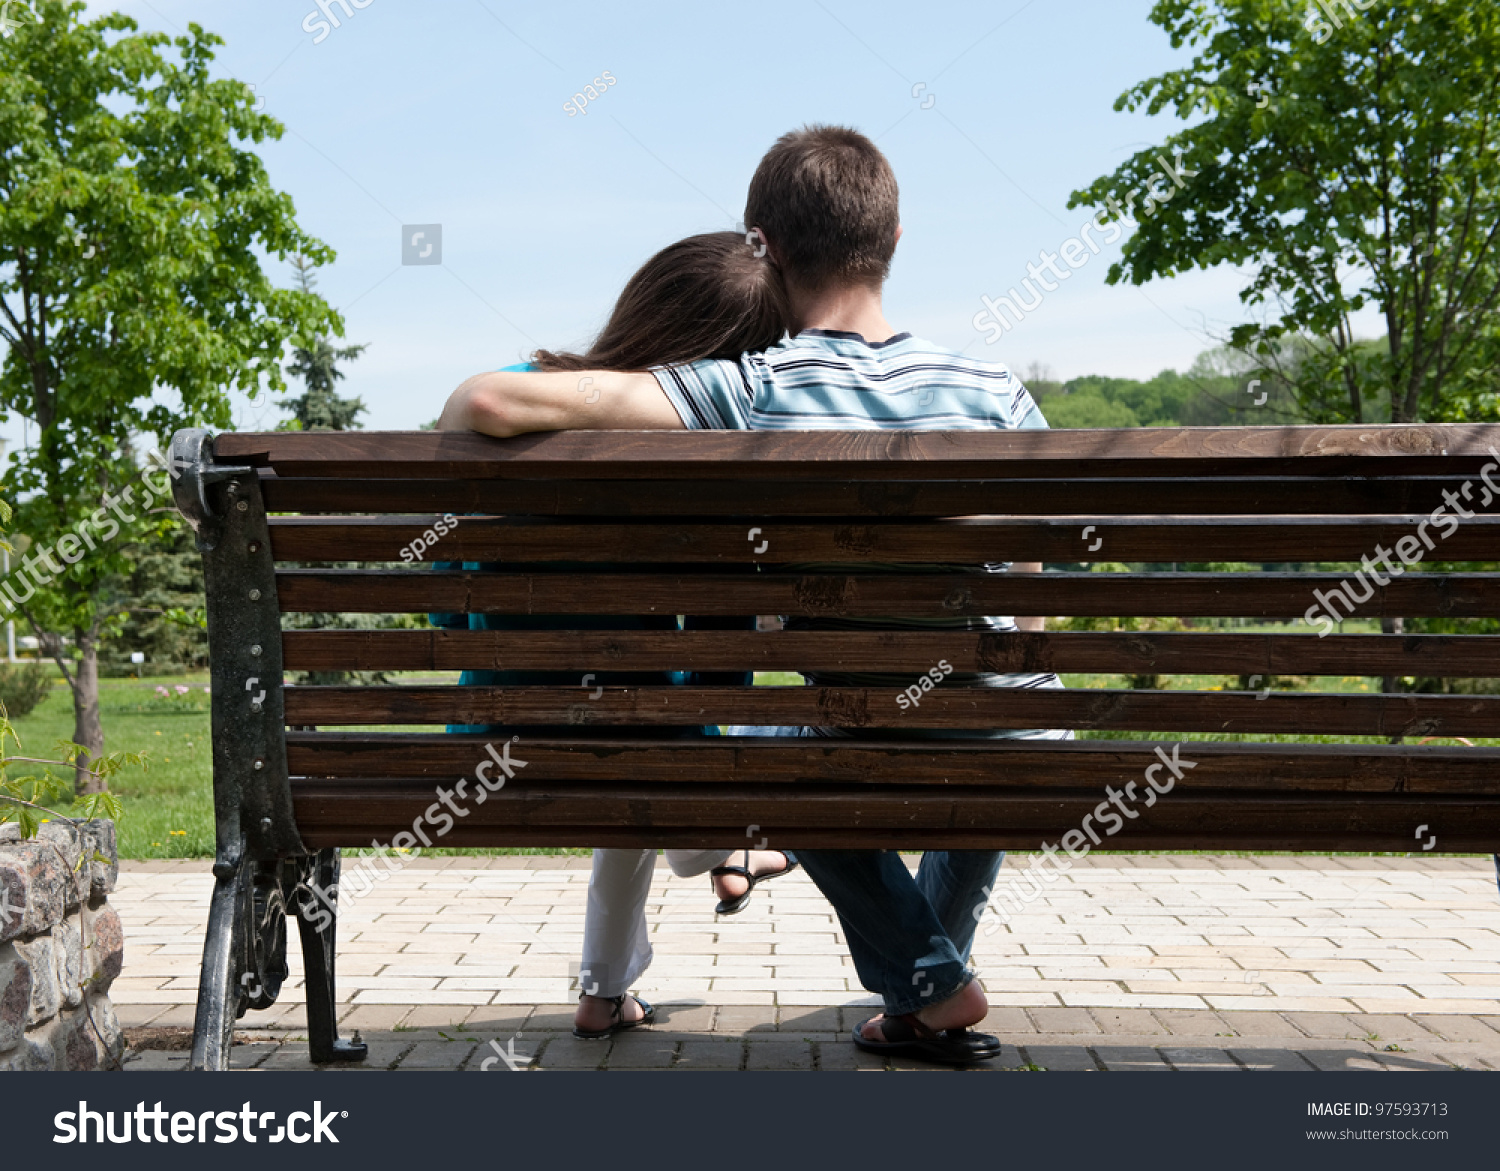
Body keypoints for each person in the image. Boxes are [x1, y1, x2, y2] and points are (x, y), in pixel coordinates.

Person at [440, 126, 1065, 1064]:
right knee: (998, 725)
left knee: (766, 738)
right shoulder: (993, 388)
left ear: (762, 245)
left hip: (859, 717)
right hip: (1004, 725)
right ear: (896, 238)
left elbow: (489, 404)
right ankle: (924, 985)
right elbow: (1033, 585)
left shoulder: (749, 390)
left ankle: (928, 981)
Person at [431, 232, 798, 1041]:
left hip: (494, 735)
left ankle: (605, 989)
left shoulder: (530, 398)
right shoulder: (713, 449)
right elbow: (724, 652)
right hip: (644, 745)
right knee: (651, 733)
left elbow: (449, 592)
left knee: (625, 725)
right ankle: (729, 847)